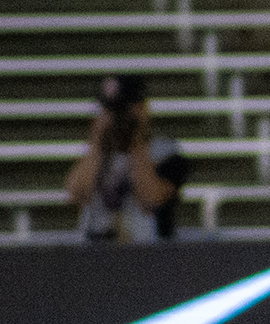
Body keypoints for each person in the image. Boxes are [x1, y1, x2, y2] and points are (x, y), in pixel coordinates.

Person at [66, 74, 188, 242]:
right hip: (97, 251)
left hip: (149, 255)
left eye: (122, 109)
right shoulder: (96, 155)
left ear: (142, 108)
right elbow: (75, 193)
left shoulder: (167, 153)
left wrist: (136, 141)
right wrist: (98, 139)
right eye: (110, 110)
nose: (118, 117)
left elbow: (152, 199)